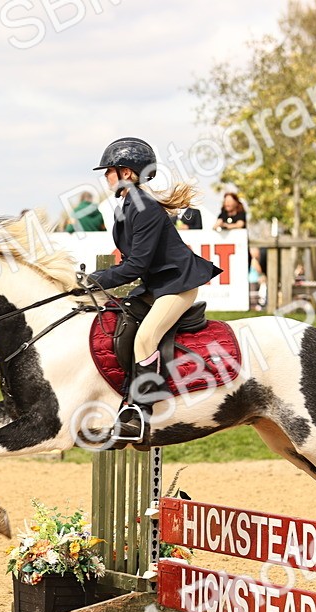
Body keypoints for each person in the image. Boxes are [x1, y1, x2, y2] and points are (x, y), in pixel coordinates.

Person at [88, 136, 222, 443]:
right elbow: (133, 262)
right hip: (157, 285)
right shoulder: (127, 205)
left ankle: (141, 413)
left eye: (110, 169)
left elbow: (136, 265)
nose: (105, 175)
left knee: (146, 338)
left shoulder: (144, 207)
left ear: (127, 172)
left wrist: (98, 280)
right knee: (120, 324)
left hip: (177, 285)